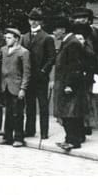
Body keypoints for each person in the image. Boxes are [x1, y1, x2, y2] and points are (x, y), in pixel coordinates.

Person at [54, 23, 93, 152]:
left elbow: (74, 66)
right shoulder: (69, 42)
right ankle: (70, 139)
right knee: (69, 113)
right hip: (67, 82)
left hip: (71, 84)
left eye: (55, 30)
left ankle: (73, 140)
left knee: (70, 114)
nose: (54, 33)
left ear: (63, 29)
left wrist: (69, 85)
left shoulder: (72, 43)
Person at [22, 8, 57, 139]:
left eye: (36, 20)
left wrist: (43, 71)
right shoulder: (24, 37)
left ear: (40, 22)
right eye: (31, 20)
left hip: (41, 77)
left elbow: (52, 57)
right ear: (28, 21)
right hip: (28, 76)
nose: (33, 23)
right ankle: (29, 130)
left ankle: (44, 132)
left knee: (43, 105)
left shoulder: (46, 37)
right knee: (29, 104)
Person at [0, 28, 30, 147]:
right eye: (5, 38)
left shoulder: (23, 52)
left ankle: (19, 138)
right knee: (8, 113)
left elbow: (26, 72)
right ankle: (7, 137)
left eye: (9, 38)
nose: (6, 40)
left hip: (16, 87)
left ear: (16, 39)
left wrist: (23, 89)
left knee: (18, 113)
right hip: (5, 86)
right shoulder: (3, 50)